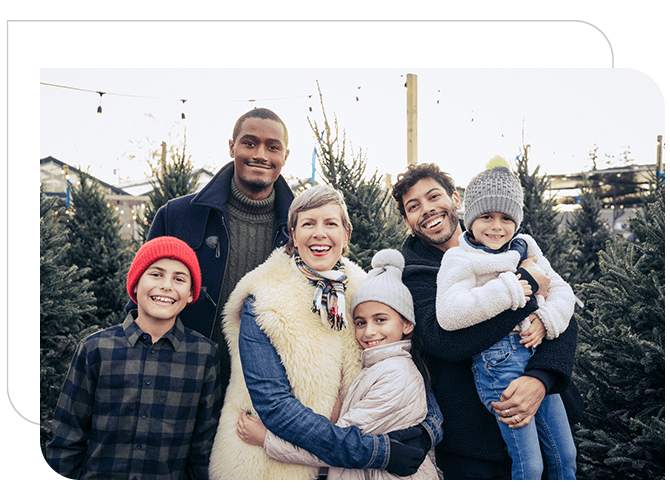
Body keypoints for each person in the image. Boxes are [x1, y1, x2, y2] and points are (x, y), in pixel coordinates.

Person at [208, 185, 443, 480]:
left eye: (330, 223)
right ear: (293, 235)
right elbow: (275, 405)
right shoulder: (264, 298)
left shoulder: (366, 290)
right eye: (308, 223)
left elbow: (409, 361)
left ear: (346, 234)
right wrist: (379, 451)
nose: (320, 233)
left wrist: (428, 429)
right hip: (271, 463)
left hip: (350, 470)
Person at [392, 162, 584, 480]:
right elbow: (445, 341)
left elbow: (564, 313)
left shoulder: (510, 243)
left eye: (433, 196)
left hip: (543, 405)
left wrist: (542, 379)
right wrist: (527, 289)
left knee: (562, 464)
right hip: (476, 447)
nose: (426, 210)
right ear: (407, 220)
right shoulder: (414, 274)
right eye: (414, 206)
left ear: (456, 199)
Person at [235, 249, 439, 480]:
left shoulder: (396, 375)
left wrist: (266, 440)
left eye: (380, 319)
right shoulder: (377, 365)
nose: (369, 331)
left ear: (407, 324)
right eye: (360, 322)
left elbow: (339, 445)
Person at [135, 108, 295, 396]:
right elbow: (140, 297)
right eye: (249, 143)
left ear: (285, 156)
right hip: (179, 381)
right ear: (232, 147)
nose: (261, 154)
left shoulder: (300, 228)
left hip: (263, 389)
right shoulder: (177, 215)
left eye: (273, 147)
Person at [46, 236, 223, 479]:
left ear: (191, 294)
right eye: (156, 274)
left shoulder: (205, 356)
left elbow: (203, 448)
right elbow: (67, 439)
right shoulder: (95, 349)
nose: (167, 286)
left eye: (179, 279)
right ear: (135, 285)